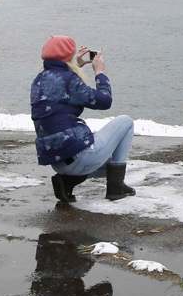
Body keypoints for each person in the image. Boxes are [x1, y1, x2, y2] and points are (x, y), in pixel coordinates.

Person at [30, 35, 136, 202]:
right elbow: (104, 101)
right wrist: (99, 72)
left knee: (103, 160)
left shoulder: (39, 80)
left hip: (57, 161)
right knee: (126, 122)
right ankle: (116, 188)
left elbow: (62, 87)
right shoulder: (69, 80)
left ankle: (66, 181)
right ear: (68, 55)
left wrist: (77, 65)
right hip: (79, 158)